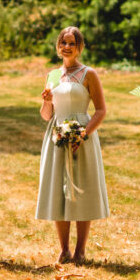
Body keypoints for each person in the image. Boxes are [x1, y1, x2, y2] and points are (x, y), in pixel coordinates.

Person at [36, 27, 109, 265]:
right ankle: (64, 249)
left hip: (81, 133)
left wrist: (83, 135)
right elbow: (47, 115)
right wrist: (46, 102)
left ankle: (80, 250)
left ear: (80, 47)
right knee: (59, 189)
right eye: (63, 42)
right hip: (56, 134)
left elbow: (100, 110)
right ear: (58, 46)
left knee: (82, 189)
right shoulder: (52, 76)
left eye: (71, 43)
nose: (66, 47)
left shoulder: (89, 74)